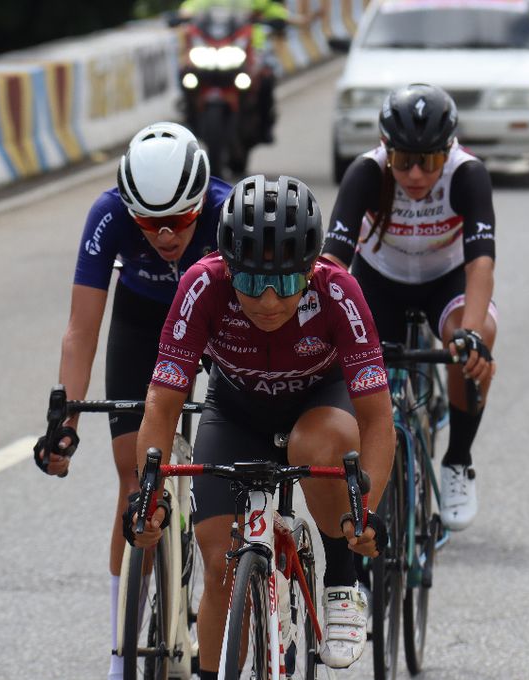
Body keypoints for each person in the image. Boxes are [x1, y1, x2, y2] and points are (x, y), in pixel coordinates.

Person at [131, 174, 396, 676]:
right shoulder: (201, 285)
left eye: (287, 283)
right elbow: (162, 405)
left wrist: (367, 513)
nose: (269, 301)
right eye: (251, 281)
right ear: (228, 269)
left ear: (311, 269)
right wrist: (151, 498)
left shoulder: (339, 291)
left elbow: (378, 418)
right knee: (219, 567)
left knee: (313, 441)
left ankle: (342, 576)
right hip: (236, 413)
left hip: (318, 408)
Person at [33, 121, 231, 680]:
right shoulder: (108, 214)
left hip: (217, 320)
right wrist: (64, 423)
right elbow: (81, 331)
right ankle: (121, 651)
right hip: (143, 319)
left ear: (202, 203)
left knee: (227, 458)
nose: (166, 236)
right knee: (131, 475)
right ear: (129, 208)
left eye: (180, 222)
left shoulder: (225, 211)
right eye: (151, 223)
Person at [322, 83, 497, 531]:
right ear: (386, 150)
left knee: (475, 341)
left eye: (429, 161)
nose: (416, 175)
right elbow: (332, 264)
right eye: (404, 161)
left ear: (449, 151)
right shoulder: (365, 173)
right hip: (380, 280)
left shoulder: (468, 174)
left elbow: (480, 265)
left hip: (446, 279)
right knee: (348, 355)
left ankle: (457, 460)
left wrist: (471, 334)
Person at [176, 0, 291, 143]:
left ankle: (265, 126)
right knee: (186, 74)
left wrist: (279, 18)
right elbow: (191, 7)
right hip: (214, 47)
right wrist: (183, 15)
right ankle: (189, 117)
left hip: (251, 50)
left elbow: (273, 9)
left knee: (266, 80)